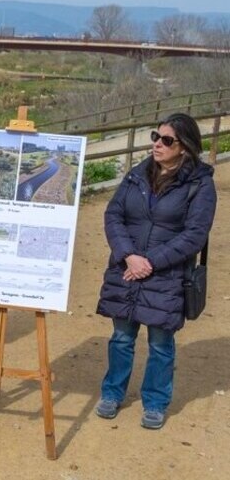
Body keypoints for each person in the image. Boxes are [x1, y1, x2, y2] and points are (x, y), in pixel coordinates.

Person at [95, 113, 216, 429]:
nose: (157, 145)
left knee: (161, 343)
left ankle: (155, 402)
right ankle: (112, 393)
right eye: (155, 137)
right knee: (121, 337)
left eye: (166, 140)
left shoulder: (200, 185)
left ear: (185, 147)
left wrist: (150, 262)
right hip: (127, 269)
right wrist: (128, 255)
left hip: (166, 276)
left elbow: (194, 235)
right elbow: (114, 216)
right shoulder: (136, 175)